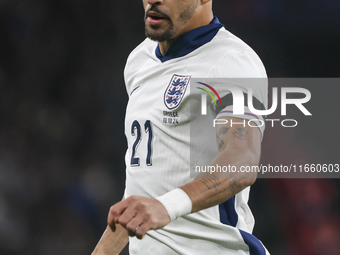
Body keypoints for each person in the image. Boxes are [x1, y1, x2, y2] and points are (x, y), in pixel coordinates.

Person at [93, 0, 270, 254]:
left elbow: (243, 161)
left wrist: (167, 206)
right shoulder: (138, 62)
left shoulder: (232, 61)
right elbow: (144, 187)